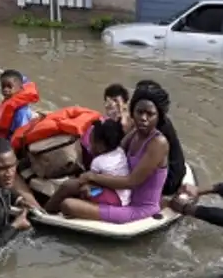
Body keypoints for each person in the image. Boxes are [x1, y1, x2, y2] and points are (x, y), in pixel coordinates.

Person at [57, 88, 169, 223]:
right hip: (120, 195)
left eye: (150, 114)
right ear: (132, 112)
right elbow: (113, 154)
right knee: (69, 186)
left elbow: (132, 182)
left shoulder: (158, 143)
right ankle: (42, 212)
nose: (143, 118)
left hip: (139, 208)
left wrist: (92, 177)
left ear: (159, 116)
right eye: (139, 112)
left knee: (68, 205)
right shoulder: (134, 134)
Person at [44, 119, 130, 213]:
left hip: (112, 198)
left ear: (100, 146)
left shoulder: (98, 162)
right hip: (123, 197)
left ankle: (47, 211)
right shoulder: (119, 151)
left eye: (91, 143)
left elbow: (87, 181)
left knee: (69, 186)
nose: (89, 146)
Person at [134, 80, 187, 196]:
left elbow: (133, 180)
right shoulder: (152, 121)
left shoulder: (159, 131)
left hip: (170, 180)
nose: (144, 117)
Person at [0, 69, 35, 138]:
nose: (5, 89)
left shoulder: (21, 113)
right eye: (3, 86)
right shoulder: (8, 101)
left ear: (20, 88)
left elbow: (20, 135)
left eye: (9, 87)